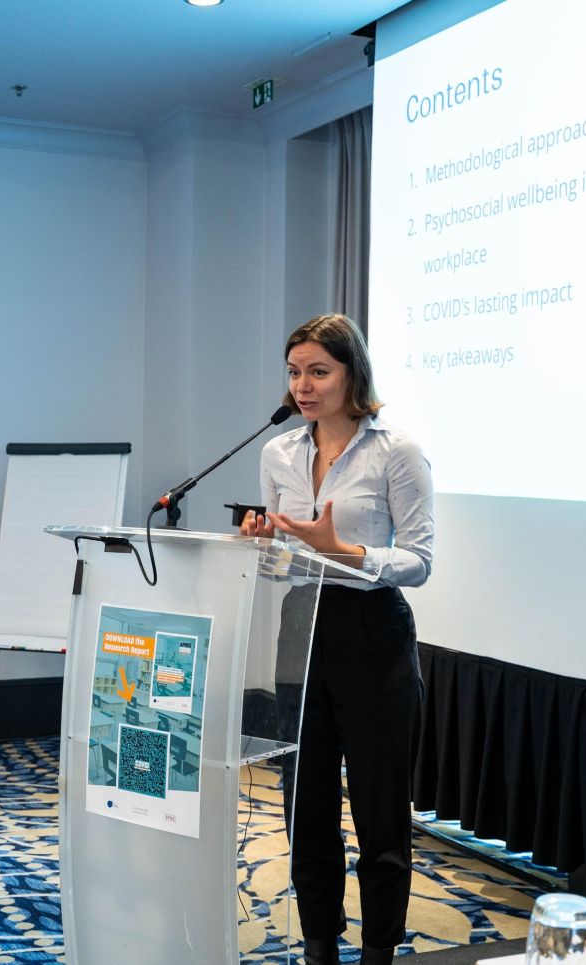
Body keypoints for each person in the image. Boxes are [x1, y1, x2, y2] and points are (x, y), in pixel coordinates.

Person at [240, 314, 433, 965]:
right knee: (306, 803)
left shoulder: (396, 451)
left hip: (372, 631)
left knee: (381, 809)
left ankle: (379, 950)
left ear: (353, 374)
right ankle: (318, 945)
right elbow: (285, 562)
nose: (303, 385)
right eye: (295, 372)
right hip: (301, 626)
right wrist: (265, 546)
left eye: (318, 371)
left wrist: (344, 551)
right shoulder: (278, 453)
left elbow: (420, 561)